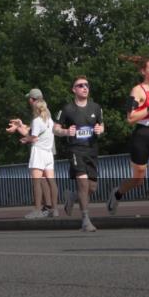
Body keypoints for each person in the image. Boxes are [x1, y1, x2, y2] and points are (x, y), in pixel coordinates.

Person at [108, 57, 149, 215]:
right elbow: (130, 118)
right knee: (138, 179)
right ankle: (117, 194)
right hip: (141, 138)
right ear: (143, 71)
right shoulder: (137, 90)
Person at [54, 76, 104, 232]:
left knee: (92, 187)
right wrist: (66, 131)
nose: (84, 87)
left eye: (86, 85)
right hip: (76, 149)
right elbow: (55, 129)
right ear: (74, 90)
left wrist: (100, 130)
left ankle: (73, 197)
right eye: (80, 85)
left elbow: (101, 125)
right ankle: (85, 220)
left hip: (92, 149)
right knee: (82, 183)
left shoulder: (95, 107)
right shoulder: (67, 109)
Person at [8, 91, 57, 219]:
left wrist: (25, 139)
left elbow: (33, 136)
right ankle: (52, 208)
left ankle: (38, 210)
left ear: (32, 100)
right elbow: (34, 130)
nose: (29, 102)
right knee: (48, 181)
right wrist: (20, 126)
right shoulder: (48, 117)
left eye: (30, 99)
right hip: (48, 152)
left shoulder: (37, 119)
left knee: (37, 181)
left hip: (40, 152)